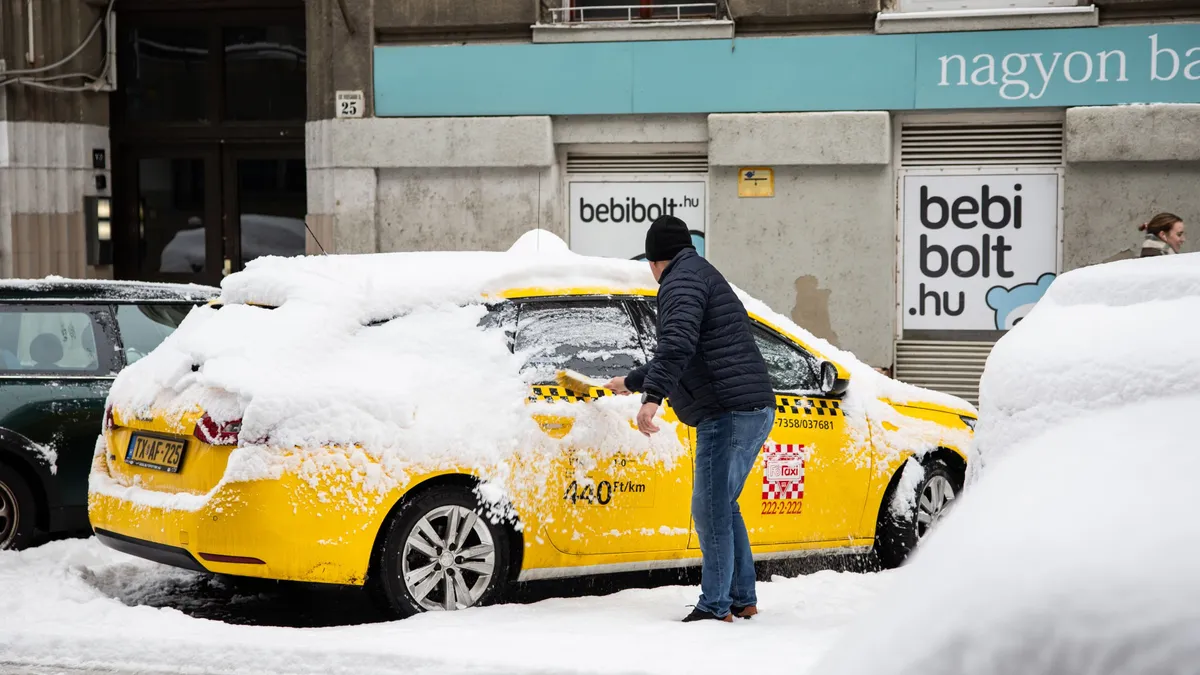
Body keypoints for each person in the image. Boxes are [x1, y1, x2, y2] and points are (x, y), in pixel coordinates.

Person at [604, 215, 776, 624]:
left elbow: (677, 344)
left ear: (654, 260)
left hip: (727, 409)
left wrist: (652, 398)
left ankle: (715, 606)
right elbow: (688, 348)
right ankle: (741, 598)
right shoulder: (699, 274)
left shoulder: (679, 282)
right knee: (723, 505)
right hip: (751, 406)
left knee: (710, 508)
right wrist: (631, 381)